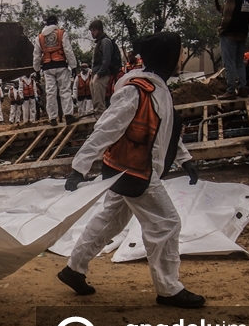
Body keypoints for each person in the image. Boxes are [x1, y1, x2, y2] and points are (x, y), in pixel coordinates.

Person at [59, 33, 205, 309]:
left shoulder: (158, 89)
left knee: (109, 221)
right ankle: (168, 289)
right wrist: (79, 167)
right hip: (137, 172)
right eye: (180, 53)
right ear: (169, 58)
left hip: (128, 171)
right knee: (167, 223)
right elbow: (106, 128)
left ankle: (74, 269)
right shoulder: (136, 90)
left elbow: (166, 132)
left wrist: (185, 159)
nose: (183, 57)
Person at [216, 0, 249, 100]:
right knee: (239, 62)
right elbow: (240, 12)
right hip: (242, 33)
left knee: (229, 62)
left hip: (230, 33)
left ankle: (231, 91)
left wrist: (221, 29)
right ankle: (243, 88)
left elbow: (228, 15)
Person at [34, 14, 78, 126]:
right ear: (56, 23)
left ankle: (52, 118)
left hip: (47, 67)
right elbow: (68, 50)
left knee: (50, 92)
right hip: (61, 65)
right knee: (65, 91)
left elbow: (37, 55)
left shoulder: (39, 37)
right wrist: (73, 66)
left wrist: (37, 70)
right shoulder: (61, 33)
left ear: (46, 23)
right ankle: (68, 116)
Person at [89, 19, 121, 113]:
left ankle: (101, 121)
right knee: (95, 101)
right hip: (95, 73)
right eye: (91, 31)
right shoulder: (99, 42)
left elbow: (106, 60)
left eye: (94, 30)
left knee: (99, 103)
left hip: (102, 75)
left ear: (99, 30)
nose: (92, 33)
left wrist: (99, 74)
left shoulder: (105, 41)